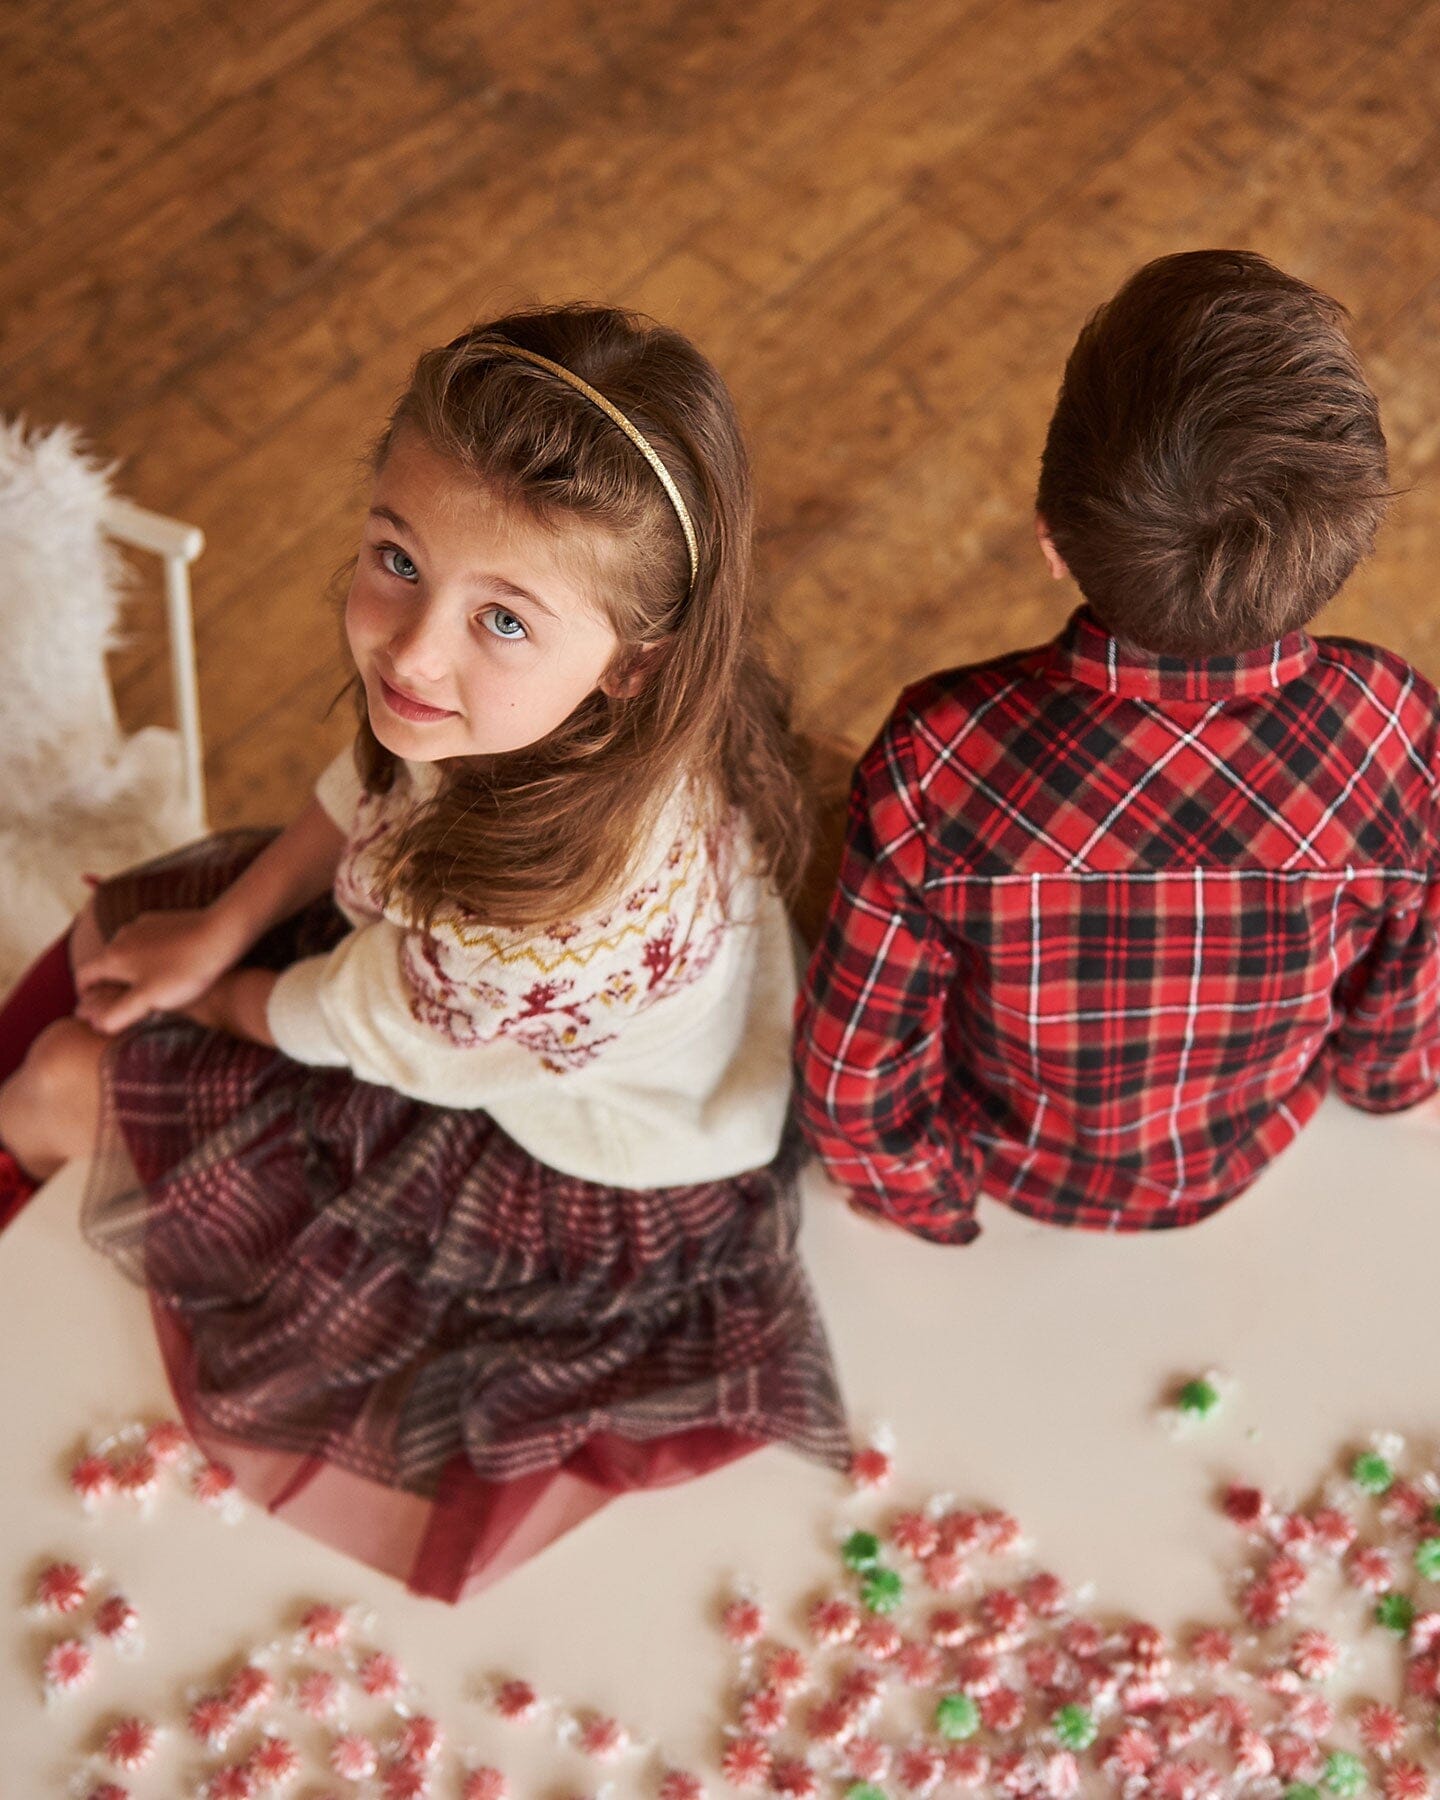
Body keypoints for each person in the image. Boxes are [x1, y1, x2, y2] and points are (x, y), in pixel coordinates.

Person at [0, 305, 848, 1599]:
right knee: (135, 952)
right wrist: (221, 924)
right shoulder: (558, 710)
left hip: (543, 1127)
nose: (412, 648)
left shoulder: (527, 916)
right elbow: (378, 781)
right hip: (458, 993)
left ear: (633, 665)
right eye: (398, 557)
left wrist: (214, 993)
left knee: (64, 1080)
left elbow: (354, 1026)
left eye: (503, 620)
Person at [796, 249, 1439, 1244]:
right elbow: (1404, 1009)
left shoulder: (937, 756)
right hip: (1256, 1148)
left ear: (1051, 541)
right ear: (1344, 553)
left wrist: (928, 1199)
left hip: (1018, 1164)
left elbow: (853, 1077)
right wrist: (1387, 1088)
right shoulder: (1392, 728)